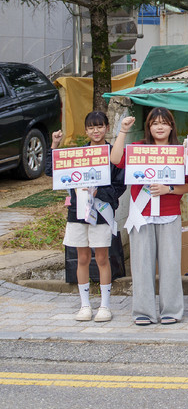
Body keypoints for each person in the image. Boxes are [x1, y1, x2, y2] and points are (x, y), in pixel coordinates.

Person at [111, 108, 188, 326]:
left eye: (164, 122)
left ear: (171, 126)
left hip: (169, 215)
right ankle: (143, 311)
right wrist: (122, 131)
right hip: (142, 215)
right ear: (148, 127)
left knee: (170, 264)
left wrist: (169, 189)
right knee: (141, 265)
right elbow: (116, 158)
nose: (159, 126)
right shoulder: (138, 148)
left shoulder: (179, 151)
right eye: (154, 123)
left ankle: (172, 310)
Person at [48, 112, 126, 323]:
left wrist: (99, 194)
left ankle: (105, 305)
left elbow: (120, 185)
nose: (96, 131)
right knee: (82, 258)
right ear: (86, 131)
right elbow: (52, 171)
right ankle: (84, 305)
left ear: (107, 128)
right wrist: (54, 145)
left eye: (100, 126)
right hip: (77, 213)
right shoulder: (78, 154)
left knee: (102, 258)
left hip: (101, 213)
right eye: (91, 127)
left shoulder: (113, 154)